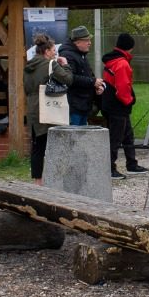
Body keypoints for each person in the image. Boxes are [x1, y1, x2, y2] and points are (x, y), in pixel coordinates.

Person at [23, 34, 74, 184]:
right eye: (53, 51)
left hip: (33, 108)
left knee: (37, 147)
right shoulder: (51, 64)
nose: (55, 54)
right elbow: (68, 79)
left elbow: (26, 88)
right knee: (52, 144)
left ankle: (37, 181)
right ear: (46, 51)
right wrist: (65, 64)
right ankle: (55, 178)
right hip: (49, 108)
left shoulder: (28, 66)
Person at [101, 33, 148, 179]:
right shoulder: (122, 63)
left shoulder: (113, 60)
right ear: (130, 48)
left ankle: (131, 164)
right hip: (118, 106)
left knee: (128, 136)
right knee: (115, 138)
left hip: (112, 105)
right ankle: (109, 169)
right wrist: (129, 101)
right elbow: (122, 87)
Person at [61, 26, 104, 126]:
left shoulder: (81, 54)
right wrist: (93, 82)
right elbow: (71, 78)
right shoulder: (68, 55)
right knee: (74, 138)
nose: (90, 43)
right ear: (77, 42)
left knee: (81, 137)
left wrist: (96, 86)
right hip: (74, 106)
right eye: (87, 40)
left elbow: (86, 74)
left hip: (83, 104)